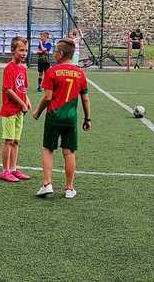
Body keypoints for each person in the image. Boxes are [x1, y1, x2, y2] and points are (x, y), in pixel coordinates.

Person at [33, 39, 91, 199]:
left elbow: (47, 97)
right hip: (70, 118)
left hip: (54, 116)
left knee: (48, 149)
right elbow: (85, 99)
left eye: (55, 52)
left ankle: (47, 184)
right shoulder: (80, 73)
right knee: (69, 152)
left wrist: (37, 112)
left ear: (60, 54)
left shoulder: (52, 72)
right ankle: (69, 188)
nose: (53, 54)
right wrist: (87, 119)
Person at [0, 37, 32, 183]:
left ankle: (13, 168)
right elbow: (8, 90)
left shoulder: (23, 69)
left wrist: (27, 100)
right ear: (13, 51)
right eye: (21, 50)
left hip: (19, 111)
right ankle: (5, 170)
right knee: (9, 140)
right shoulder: (9, 68)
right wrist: (22, 103)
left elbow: (22, 89)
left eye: (26, 50)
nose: (24, 53)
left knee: (16, 141)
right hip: (9, 110)